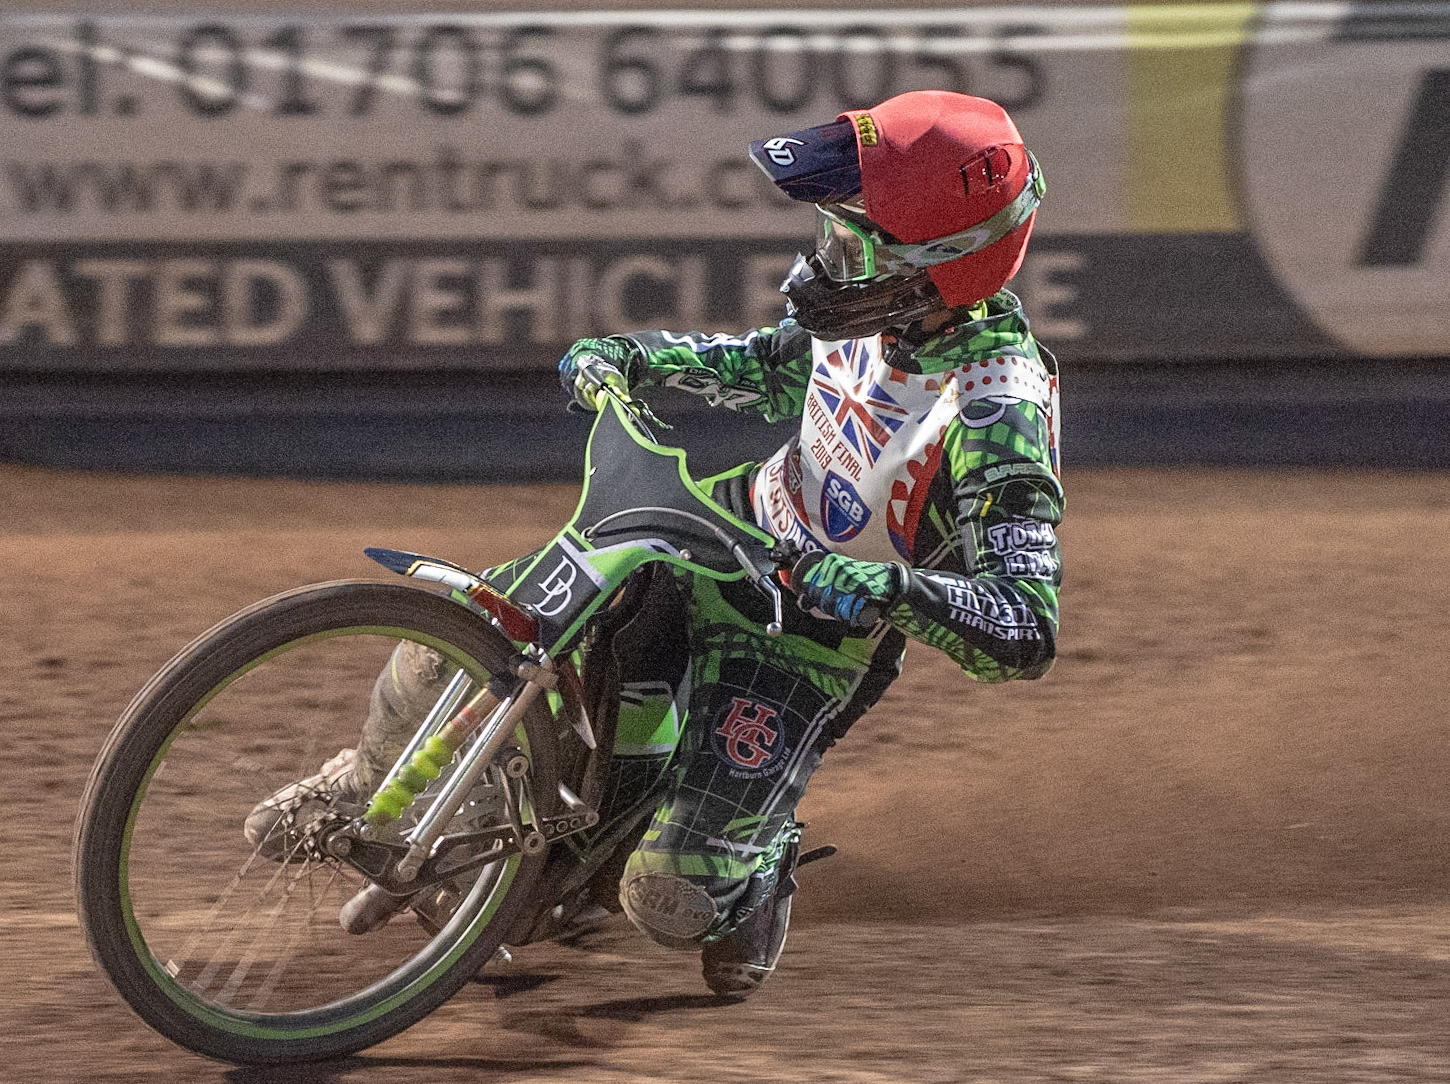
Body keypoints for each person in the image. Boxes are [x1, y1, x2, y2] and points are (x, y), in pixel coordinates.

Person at [251, 90, 1063, 999]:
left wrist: (869, 584)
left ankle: (756, 871)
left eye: (852, 242)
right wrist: (633, 356)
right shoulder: (876, 314)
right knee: (454, 645)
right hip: (717, 532)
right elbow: (759, 366)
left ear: (935, 268)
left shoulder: (998, 408)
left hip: (806, 642)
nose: (824, 261)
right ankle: (362, 781)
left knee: (666, 895)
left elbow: (1022, 627)